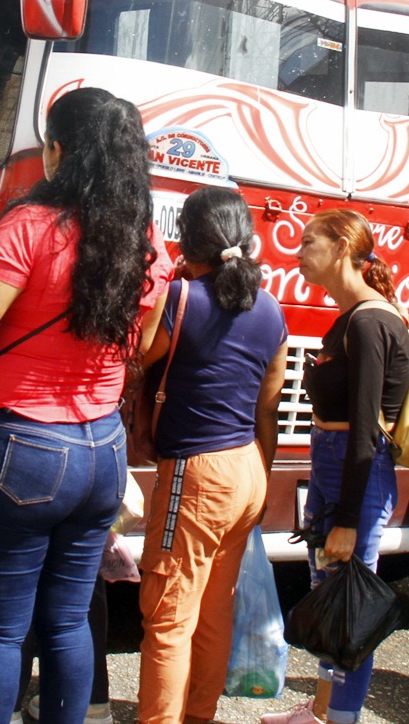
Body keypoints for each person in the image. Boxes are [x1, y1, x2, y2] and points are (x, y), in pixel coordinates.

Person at [0, 87, 171, 724]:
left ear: (60, 152)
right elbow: (143, 346)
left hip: (22, 443)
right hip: (102, 450)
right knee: (70, 620)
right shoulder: (146, 243)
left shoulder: (30, 225)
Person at [138, 187, 288, 724]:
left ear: (186, 239)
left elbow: (137, 356)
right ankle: (198, 716)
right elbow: (267, 405)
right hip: (248, 468)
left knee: (169, 615)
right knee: (212, 609)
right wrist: (263, 481)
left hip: (197, 472)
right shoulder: (271, 309)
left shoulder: (180, 301)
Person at [264, 209, 407, 724]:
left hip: (356, 474)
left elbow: (367, 430)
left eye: (308, 242)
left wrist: (348, 518)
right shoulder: (350, 318)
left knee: (352, 605)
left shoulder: (370, 322)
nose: (297, 252)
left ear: (343, 246)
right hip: (331, 465)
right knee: (329, 591)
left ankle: (341, 717)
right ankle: (322, 709)